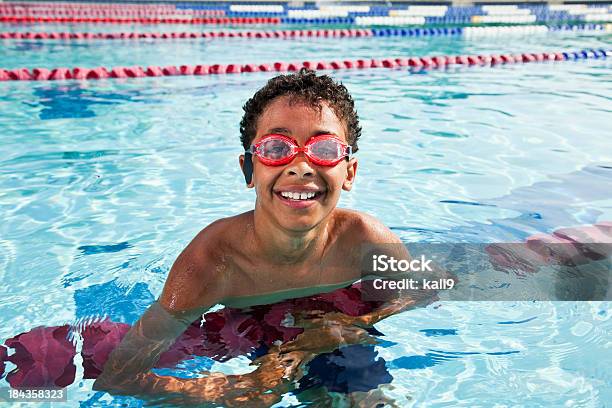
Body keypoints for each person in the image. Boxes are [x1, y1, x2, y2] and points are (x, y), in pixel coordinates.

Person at [92, 69, 427, 405]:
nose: (301, 166)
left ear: (349, 172)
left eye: (324, 149)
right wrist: (229, 389)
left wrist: (350, 324)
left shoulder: (362, 239)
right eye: (276, 148)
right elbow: (118, 378)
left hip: (334, 323)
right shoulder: (212, 263)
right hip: (246, 328)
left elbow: (422, 290)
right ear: (249, 169)